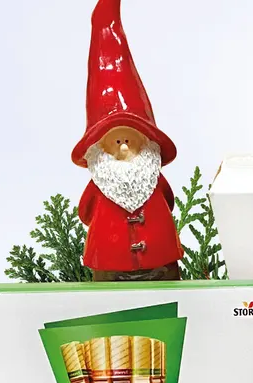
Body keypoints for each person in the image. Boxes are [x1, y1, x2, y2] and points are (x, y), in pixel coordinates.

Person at [72, 0, 182, 281]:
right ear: (100, 149)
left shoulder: (153, 179)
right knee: (109, 296)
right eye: (117, 142)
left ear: (146, 145)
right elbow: (86, 211)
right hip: (109, 265)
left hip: (160, 263)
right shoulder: (100, 185)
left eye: (130, 142)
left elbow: (167, 201)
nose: (123, 147)